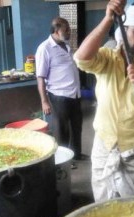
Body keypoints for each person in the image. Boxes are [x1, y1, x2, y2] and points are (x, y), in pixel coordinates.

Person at [74, 0, 134, 202]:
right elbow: (81, 59)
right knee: (103, 204)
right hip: (105, 144)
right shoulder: (107, 59)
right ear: (124, 29)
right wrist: (108, 18)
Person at [35, 17, 87, 168]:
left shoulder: (67, 46)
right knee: (62, 130)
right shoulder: (44, 48)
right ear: (56, 31)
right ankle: (64, 160)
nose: (69, 32)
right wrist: (44, 101)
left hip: (75, 94)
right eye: (66, 30)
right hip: (59, 95)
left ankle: (76, 154)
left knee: (77, 126)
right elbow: (40, 77)